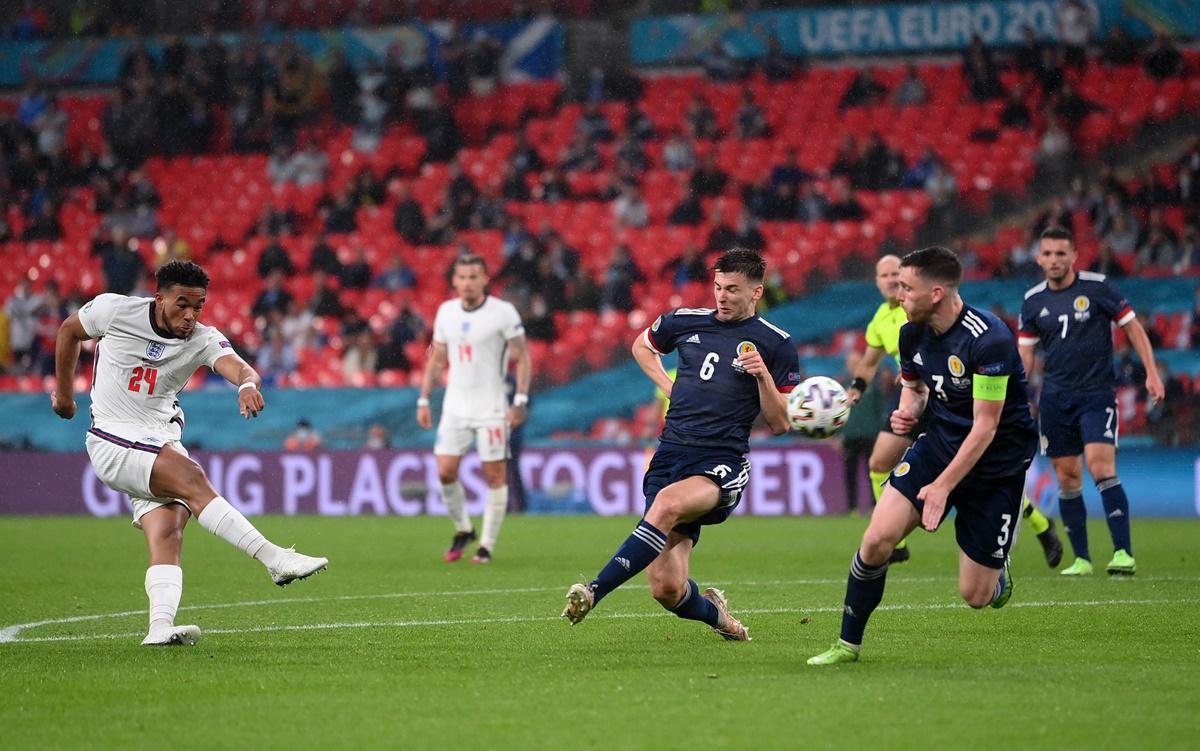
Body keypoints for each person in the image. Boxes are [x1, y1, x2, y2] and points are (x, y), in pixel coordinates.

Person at [50, 261, 328, 647]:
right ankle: (275, 559)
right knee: (193, 479)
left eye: (198, 306)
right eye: (182, 304)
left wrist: (246, 383)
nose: (190, 315)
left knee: (169, 530)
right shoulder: (115, 310)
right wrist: (65, 396)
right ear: (159, 297)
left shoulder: (201, 337)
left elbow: (239, 366)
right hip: (113, 437)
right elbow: (68, 331)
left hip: (158, 439)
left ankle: (159, 627)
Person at [809, 247, 1037, 665]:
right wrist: (907, 411)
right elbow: (914, 389)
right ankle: (847, 644)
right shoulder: (910, 333)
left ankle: (997, 570)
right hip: (939, 444)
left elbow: (985, 427)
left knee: (975, 596)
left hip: (996, 463)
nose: (898, 296)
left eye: (906, 288)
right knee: (877, 540)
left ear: (936, 293)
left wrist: (941, 489)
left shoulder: (990, 340)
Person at [562, 248, 800, 641]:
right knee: (666, 588)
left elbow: (780, 423)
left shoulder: (776, 344)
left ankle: (593, 591)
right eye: (718, 287)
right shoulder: (684, 321)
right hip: (671, 453)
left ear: (756, 292)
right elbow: (642, 345)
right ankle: (722, 620)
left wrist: (762, 378)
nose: (722, 296)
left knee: (668, 504)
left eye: (733, 290)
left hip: (721, 462)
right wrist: (668, 385)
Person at [847, 255, 1061, 565]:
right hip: (913, 395)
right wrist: (856, 390)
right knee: (879, 459)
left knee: (978, 478)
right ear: (877, 282)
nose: (892, 280)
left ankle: (1038, 522)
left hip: (949, 400)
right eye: (885, 276)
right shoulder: (881, 319)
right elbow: (868, 363)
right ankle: (897, 542)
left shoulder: (934, 310)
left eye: (898, 274)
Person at [1018, 227, 1164, 576]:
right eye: (1048, 254)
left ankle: (1123, 553)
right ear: (1038, 258)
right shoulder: (1033, 300)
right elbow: (1024, 355)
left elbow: (1132, 328)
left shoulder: (1097, 288)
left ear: (1074, 256)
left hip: (1096, 395)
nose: (1054, 260)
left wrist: (1152, 371)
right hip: (1054, 399)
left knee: (1100, 467)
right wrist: (1015, 395)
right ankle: (1081, 559)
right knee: (1067, 477)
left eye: (1060, 253)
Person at [416, 254, 532, 564]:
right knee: (444, 471)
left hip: (491, 406)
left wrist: (520, 400)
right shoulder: (446, 312)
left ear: (485, 279)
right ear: (454, 281)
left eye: (473, 277)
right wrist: (424, 398)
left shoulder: (502, 312)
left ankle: (486, 545)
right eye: (462, 277)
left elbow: (522, 357)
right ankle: (464, 529)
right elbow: (437, 359)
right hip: (455, 405)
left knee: (494, 475)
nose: (467, 283)